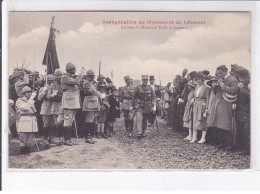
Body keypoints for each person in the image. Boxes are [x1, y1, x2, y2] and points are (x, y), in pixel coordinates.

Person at [207, 65, 239, 150]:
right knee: (218, 123)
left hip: (226, 105)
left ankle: (229, 144)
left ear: (225, 71)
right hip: (218, 104)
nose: (218, 75)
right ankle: (222, 142)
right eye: (217, 73)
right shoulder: (221, 79)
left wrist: (223, 85)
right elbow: (217, 92)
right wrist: (215, 87)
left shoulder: (232, 80)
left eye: (220, 73)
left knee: (225, 124)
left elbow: (234, 90)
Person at [61, 62, 84, 146]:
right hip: (69, 101)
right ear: (70, 69)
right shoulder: (65, 77)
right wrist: (81, 74)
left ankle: (69, 139)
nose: (75, 70)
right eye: (74, 68)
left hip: (73, 101)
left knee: (70, 120)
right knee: (67, 120)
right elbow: (77, 81)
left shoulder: (70, 77)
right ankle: (67, 140)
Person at [82, 70, 105, 143]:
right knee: (89, 120)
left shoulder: (90, 83)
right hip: (89, 102)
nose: (93, 77)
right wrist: (100, 95)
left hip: (92, 102)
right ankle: (88, 137)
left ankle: (89, 136)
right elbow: (92, 91)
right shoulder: (87, 83)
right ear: (89, 76)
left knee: (91, 120)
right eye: (92, 76)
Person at [15, 86, 38, 154]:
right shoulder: (19, 101)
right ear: (24, 93)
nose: (30, 93)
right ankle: (23, 155)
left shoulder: (29, 100)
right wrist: (31, 99)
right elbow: (25, 108)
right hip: (24, 121)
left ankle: (28, 154)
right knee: (23, 140)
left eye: (30, 92)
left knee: (29, 141)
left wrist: (30, 99)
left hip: (31, 121)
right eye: (28, 92)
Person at [190, 72, 210, 144]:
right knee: (195, 120)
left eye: (199, 79)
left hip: (202, 104)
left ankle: (203, 138)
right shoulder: (197, 87)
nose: (198, 81)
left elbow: (208, 98)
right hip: (196, 104)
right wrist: (193, 99)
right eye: (196, 79)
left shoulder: (207, 88)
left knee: (202, 121)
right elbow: (195, 96)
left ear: (202, 79)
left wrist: (207, 108)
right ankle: (194, 137)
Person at [38, 74, 56, 146]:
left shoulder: (55, 88)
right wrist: (44, 92)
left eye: (52, 81)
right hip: (46, 107)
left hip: (53, 106)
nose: (51, 82)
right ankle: (45, 138)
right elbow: (39, 98)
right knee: (46, 124)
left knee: (53, 124)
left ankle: (51, 138)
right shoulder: (43, 88)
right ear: (47, 81)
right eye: (50, 81)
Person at [236, 68, 250, 155]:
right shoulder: (243, 86)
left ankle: (247, 149)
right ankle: (243, 147)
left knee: (246, 129)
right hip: (241, 109)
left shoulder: (248, 86)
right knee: (242, 128)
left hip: (246, 110)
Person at [51, 69, 64, 144]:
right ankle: (56, 138)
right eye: (57, 77)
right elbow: (48, 95)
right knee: (55, 122)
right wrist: (53, 95)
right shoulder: (53, 85)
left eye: (60, 77)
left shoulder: (64, 84)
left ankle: (61, 137)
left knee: (61, 121)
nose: (59, 79)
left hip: (62, 104)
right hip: (55, 104)